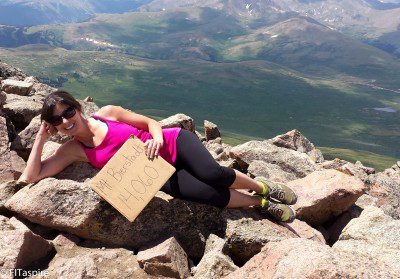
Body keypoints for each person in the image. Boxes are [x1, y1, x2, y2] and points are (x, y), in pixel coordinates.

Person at [18, 90, 298, 223]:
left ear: (78, 109)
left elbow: (151, 123)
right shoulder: (72, 150)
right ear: (53, 126)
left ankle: (263, 186)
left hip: (174, 144)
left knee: (212, 174)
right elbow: (31, 177)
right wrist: (41, 139)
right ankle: (259, 203)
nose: (66, 121)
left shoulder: (110, 114)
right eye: (57, 120)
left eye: (68, 112)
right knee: (208, 195)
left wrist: (157, 139)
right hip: (155, 175)